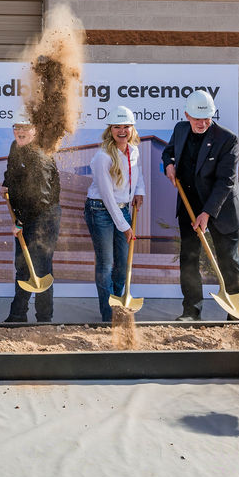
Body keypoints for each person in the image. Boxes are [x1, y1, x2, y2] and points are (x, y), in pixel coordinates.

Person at [162, 90, 239, 321]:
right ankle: (191, 311)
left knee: (228, 260)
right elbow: (169, 152)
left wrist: (207, 212)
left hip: (221, 208)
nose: (202, 123)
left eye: (207, 118)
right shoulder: (180, 130)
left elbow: (225, 181)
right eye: (197, 118)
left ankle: (238, 315)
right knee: (189, 258)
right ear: (187, 114)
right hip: (189, 205)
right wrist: (168, 164)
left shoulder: (227, 139)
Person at [84, 106, 145, 322]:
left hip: (123, 209)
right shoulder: (103, 157)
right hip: (100, 210)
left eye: (126, 126)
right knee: (107, 264)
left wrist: (139, 191)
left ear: (132, 128)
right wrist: (124, 225)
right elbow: (107, 196)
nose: (122, 131)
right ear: (110, 129)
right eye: (117, 126)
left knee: (122, 264)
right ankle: (108, 314)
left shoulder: (134, 150)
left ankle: (119, 303)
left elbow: (138, 173)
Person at [3, 118, 60, 323]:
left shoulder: (40, 155)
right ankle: (17, 316)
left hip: (45, 215)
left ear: (34, 130)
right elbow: (11, 170)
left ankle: (44, 318)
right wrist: (6, 183)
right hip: (24, 214)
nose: (20, 131)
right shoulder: (15, 146)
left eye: (25, 127)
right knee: (22, 265)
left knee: (42, 268)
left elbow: (41, 198)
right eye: (16, 127)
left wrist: (20, 222)